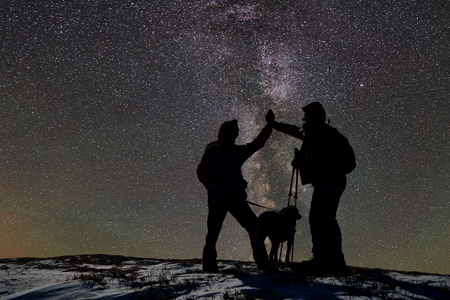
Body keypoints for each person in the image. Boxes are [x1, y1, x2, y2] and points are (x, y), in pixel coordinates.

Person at [266, 102, 348, 273]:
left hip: (330, 181)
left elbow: (323, 157)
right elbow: (295, 130)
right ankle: (324, 259)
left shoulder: (319, 131)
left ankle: (331, 261)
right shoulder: (314, 131)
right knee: (319, 220)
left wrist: (301, 163)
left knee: (324, 220)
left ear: (313, 116)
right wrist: (274, 125)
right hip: (328, 181)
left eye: (307, 114)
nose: (304, 117)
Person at [197, 118, 272, 272]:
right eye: (230, 131)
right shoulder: (214, 150)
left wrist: (269, 127)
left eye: (235, 131)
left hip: (234, 199)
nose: (233, 134)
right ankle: (210, 267)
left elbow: (257, 144)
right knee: (213, 233)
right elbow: (201, 170)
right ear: (223, 133)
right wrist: (211, 185)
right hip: (219, 199)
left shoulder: (237, 152)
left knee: (254, 227)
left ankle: (263, 264)